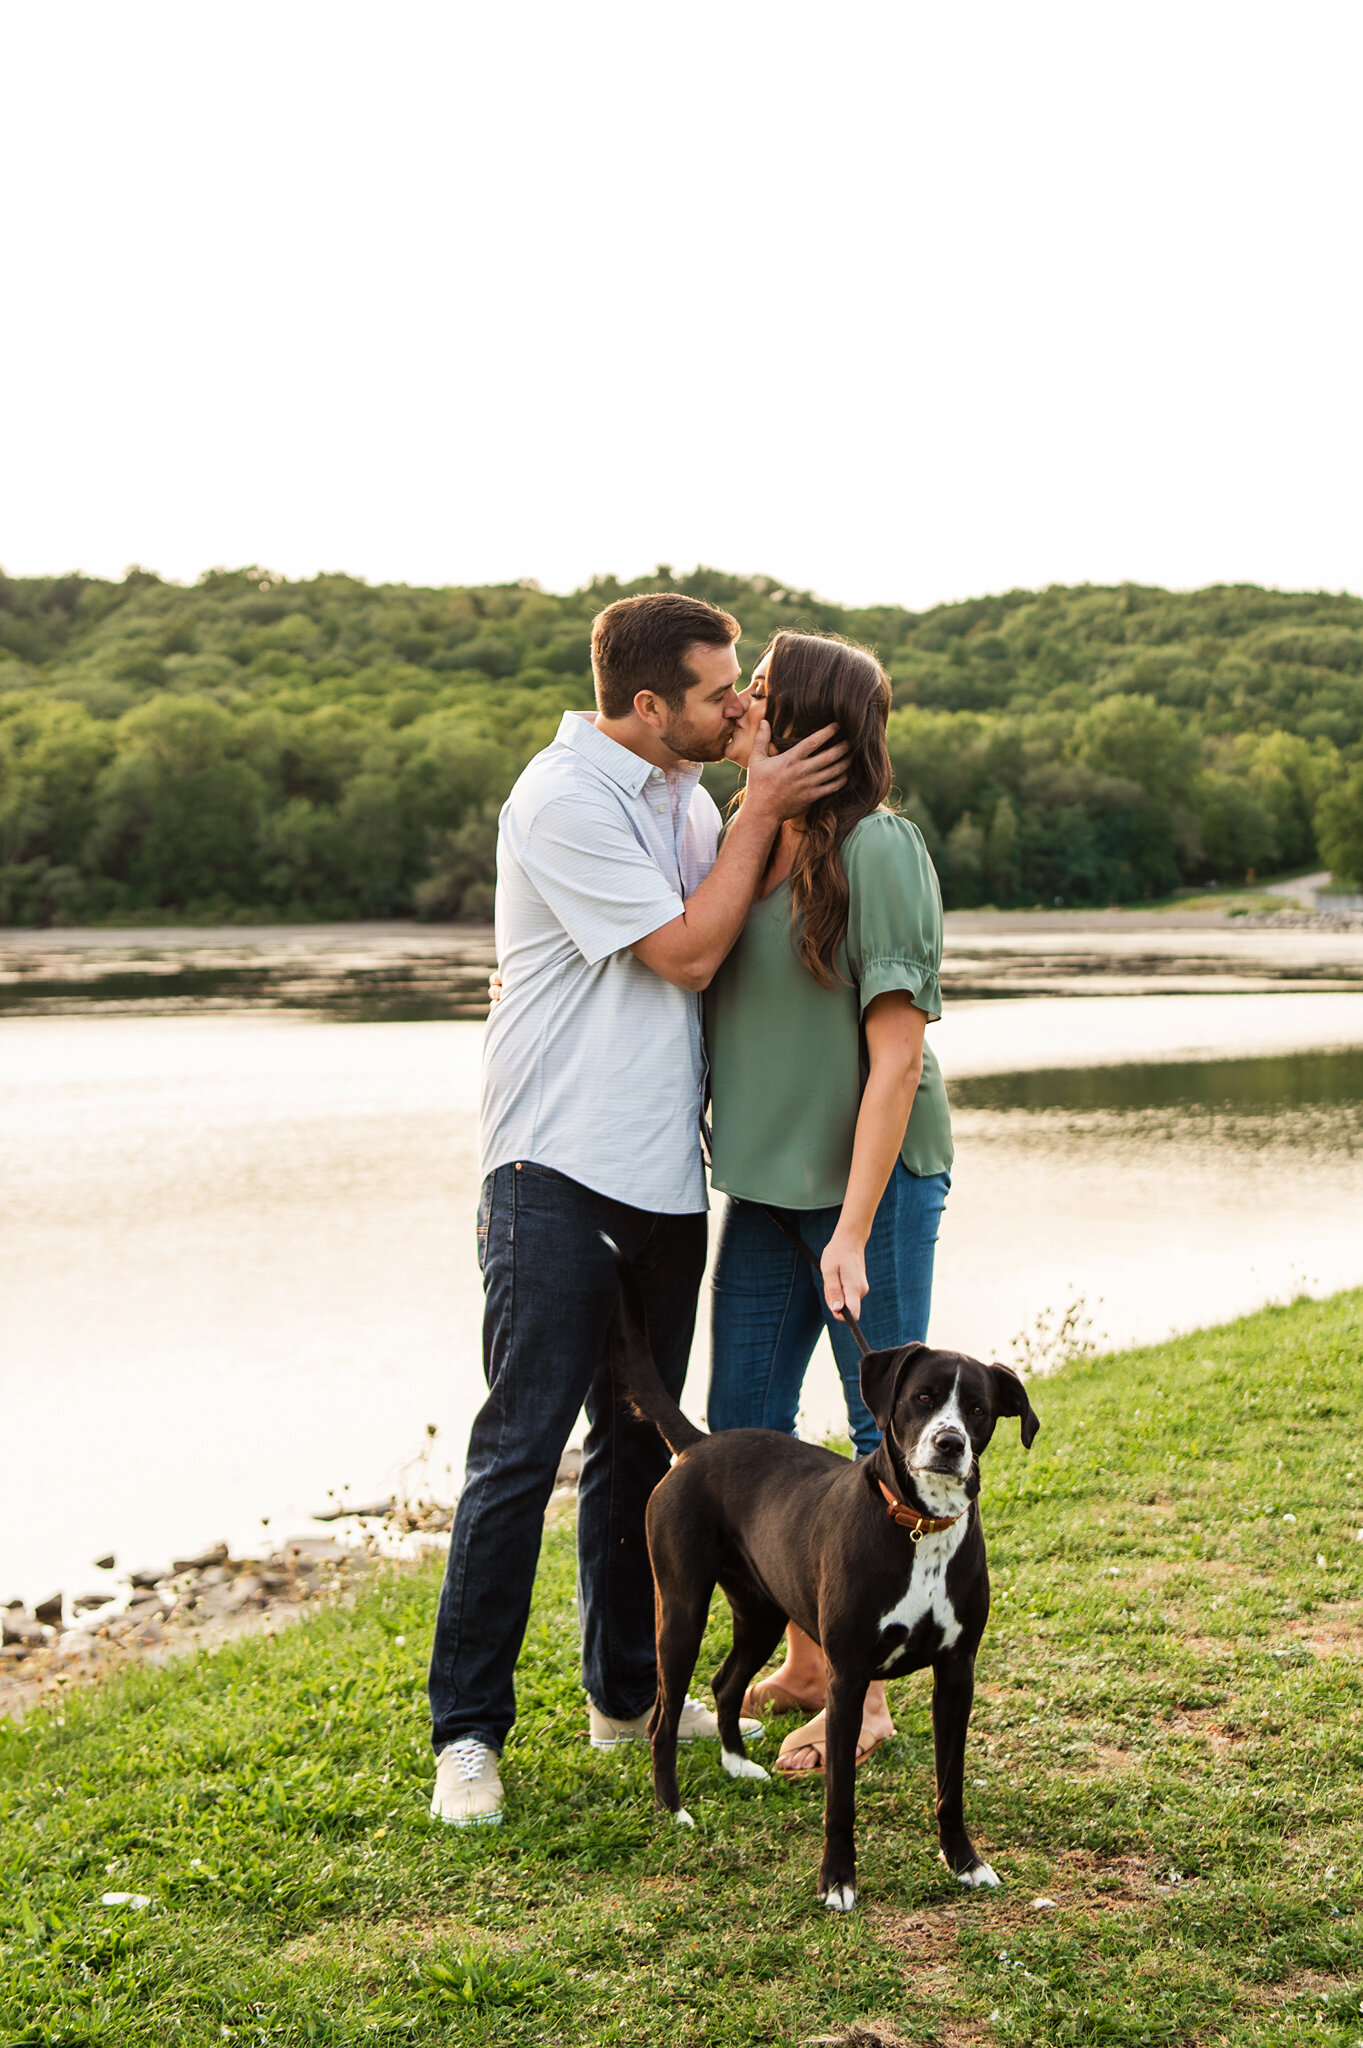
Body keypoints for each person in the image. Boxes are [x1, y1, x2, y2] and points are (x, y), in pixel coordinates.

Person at [428, 590, 848, 1826]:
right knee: (518, 1450)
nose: (742, 703)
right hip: (552, 1167)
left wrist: (759, 790)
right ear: (649, 702)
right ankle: (467, 1736)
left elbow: (739, 895)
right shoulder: (559, 799)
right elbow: (689, 953)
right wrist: (762, 800)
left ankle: (621, 1695)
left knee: (638, 1450)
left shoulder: (676, 790)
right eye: (722, 691)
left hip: (664, 1174)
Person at [703, 629, 954, 1775]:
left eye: (760, 693)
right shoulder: (751, 836)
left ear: (813, 724)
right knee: (743, 1427)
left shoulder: (882, 849)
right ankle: (806, 1659)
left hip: (869, 1186)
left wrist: (852, 1226)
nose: (738, 703)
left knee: (883, 1436)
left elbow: (894, 1060)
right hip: (761, 1187)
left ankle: (872, 1693)